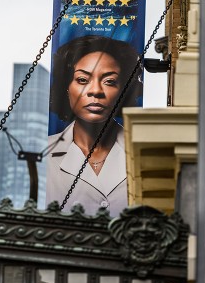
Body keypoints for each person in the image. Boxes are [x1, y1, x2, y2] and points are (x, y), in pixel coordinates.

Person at [46, 35, 142, 217]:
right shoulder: (43, 155)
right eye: (82, 80)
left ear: (123, 90)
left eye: (110, 81)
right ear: (66, 88)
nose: (96, 91)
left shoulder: (144, 153)